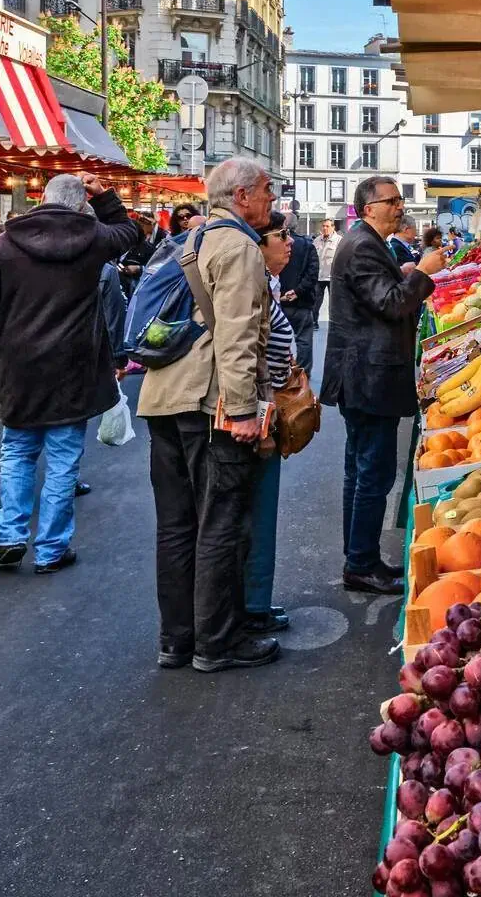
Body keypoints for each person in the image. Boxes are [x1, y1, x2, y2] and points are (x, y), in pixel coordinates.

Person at [137, 158, 279, 672]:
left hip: (162, 397)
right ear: (240, 196)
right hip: (208, 401)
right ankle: (217, 642)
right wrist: (242, 410)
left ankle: (176, 640)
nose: (272, 199)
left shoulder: (189, 240)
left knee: (175, 526)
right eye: (266, 190)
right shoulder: (238, 246)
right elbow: (237, 336)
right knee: (220, 522)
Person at [0, 174, 138, 574]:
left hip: (20, 365)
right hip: (73, 365)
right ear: (82, 205)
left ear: (42, 199)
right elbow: (130, 232)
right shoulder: (93, 239)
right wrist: (106, 196)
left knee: (18, 450)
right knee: (63, 459)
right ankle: (50, 549)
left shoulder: (5, 244)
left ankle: (10, 535)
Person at [321, 176, 447, 593]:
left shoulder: (366, 243)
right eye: (391, 200)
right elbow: (391, 304)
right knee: (371, 473)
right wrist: (423, 274)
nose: (400, 206)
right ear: (367, 208)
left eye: (400, 199)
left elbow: (381, 294)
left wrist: (405, 273)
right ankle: (361, 563)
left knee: (360, 472)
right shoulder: (362, 246)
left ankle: (361, 556)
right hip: (369, 376)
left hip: (363, 375)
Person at [245, 212, 300, 635]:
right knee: (256, 512)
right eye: (281, 235)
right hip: (255, 415)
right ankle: (251, 606)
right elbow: (253, 353)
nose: (289, 242)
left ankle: (255, 600)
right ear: (259, 245)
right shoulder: (255, 285)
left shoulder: (268, 284)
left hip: (262, 409)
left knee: (260, 510)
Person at [272, 210, 321, 380]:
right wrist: (298, 291)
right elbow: (313, 273)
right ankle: (302, 375)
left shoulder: (272, 243)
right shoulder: (307, 245)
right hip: (300, 301)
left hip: (278, 301)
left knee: (277, 341)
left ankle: (280, 374)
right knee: (304, 341)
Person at [315, 219, 340, 320]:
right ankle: (314, 321)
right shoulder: (317, 240)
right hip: (319, 276)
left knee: (334, 302)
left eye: (327, 226)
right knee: (316, 301)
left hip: (332, 277)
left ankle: (333, 321)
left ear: (333, 227)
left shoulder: (339, 240)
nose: (325, 228)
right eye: (323, 226)